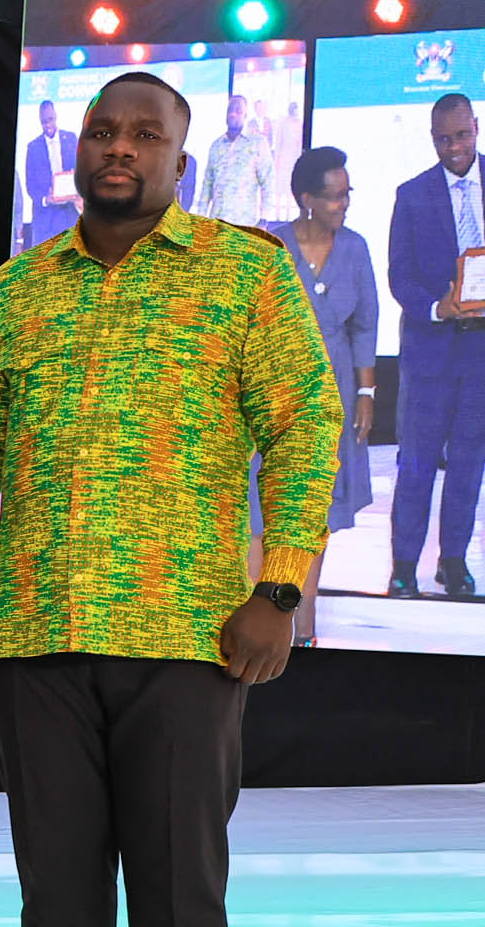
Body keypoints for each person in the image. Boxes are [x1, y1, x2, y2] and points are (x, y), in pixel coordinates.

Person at [0, 72, 338, 927]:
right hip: (36, 624)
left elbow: (303, 423)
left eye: (143, 133)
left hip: (189, 630)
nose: (118, 148)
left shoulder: (243, 271)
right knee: (54, 881)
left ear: (178, 158)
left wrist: (281, 586)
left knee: (176, 883)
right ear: (78, 149)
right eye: (102, 129)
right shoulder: (20, 287)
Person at [262, 147, 377, 641]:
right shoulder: (272, 247)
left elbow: (366, 326)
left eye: (348, 193)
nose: (344, 204)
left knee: (316, 513)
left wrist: (367, 393)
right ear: (307, 199)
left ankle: (304, 631)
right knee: (264, 512)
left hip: (335, 399)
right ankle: (261, 627)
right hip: (275, 394)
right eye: (335, 196)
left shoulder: (355, 248)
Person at [385, 93, 485, 598]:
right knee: (417, 463)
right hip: (430, 353)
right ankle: (404, 566)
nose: (454, 148)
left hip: (481, 355)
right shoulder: (412, 194)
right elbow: (399, 278)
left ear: (476, 128)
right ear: (432, 139)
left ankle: (453, 562)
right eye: (444, 139)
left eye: (462, 136)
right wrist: (436, 306)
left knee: (469, 463)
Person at [197, 93, 273, 226]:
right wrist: (199, 218)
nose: (233, 114)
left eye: (238, 110)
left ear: (245, 115)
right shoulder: (216, 146)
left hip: (245, 226)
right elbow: (207, 185)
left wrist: (264, 219)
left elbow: (268, 182)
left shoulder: (257, 143)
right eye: (230, 110)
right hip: (216, 226)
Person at [21, 100, 79, 246]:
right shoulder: (33, 147)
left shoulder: (71, 139)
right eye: (43, 122)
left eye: (50, 120)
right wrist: (45, 199)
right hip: (45, 221)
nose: (48, 125)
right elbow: (30, 185)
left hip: (70, 215)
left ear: (55, 116)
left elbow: (83, 170)